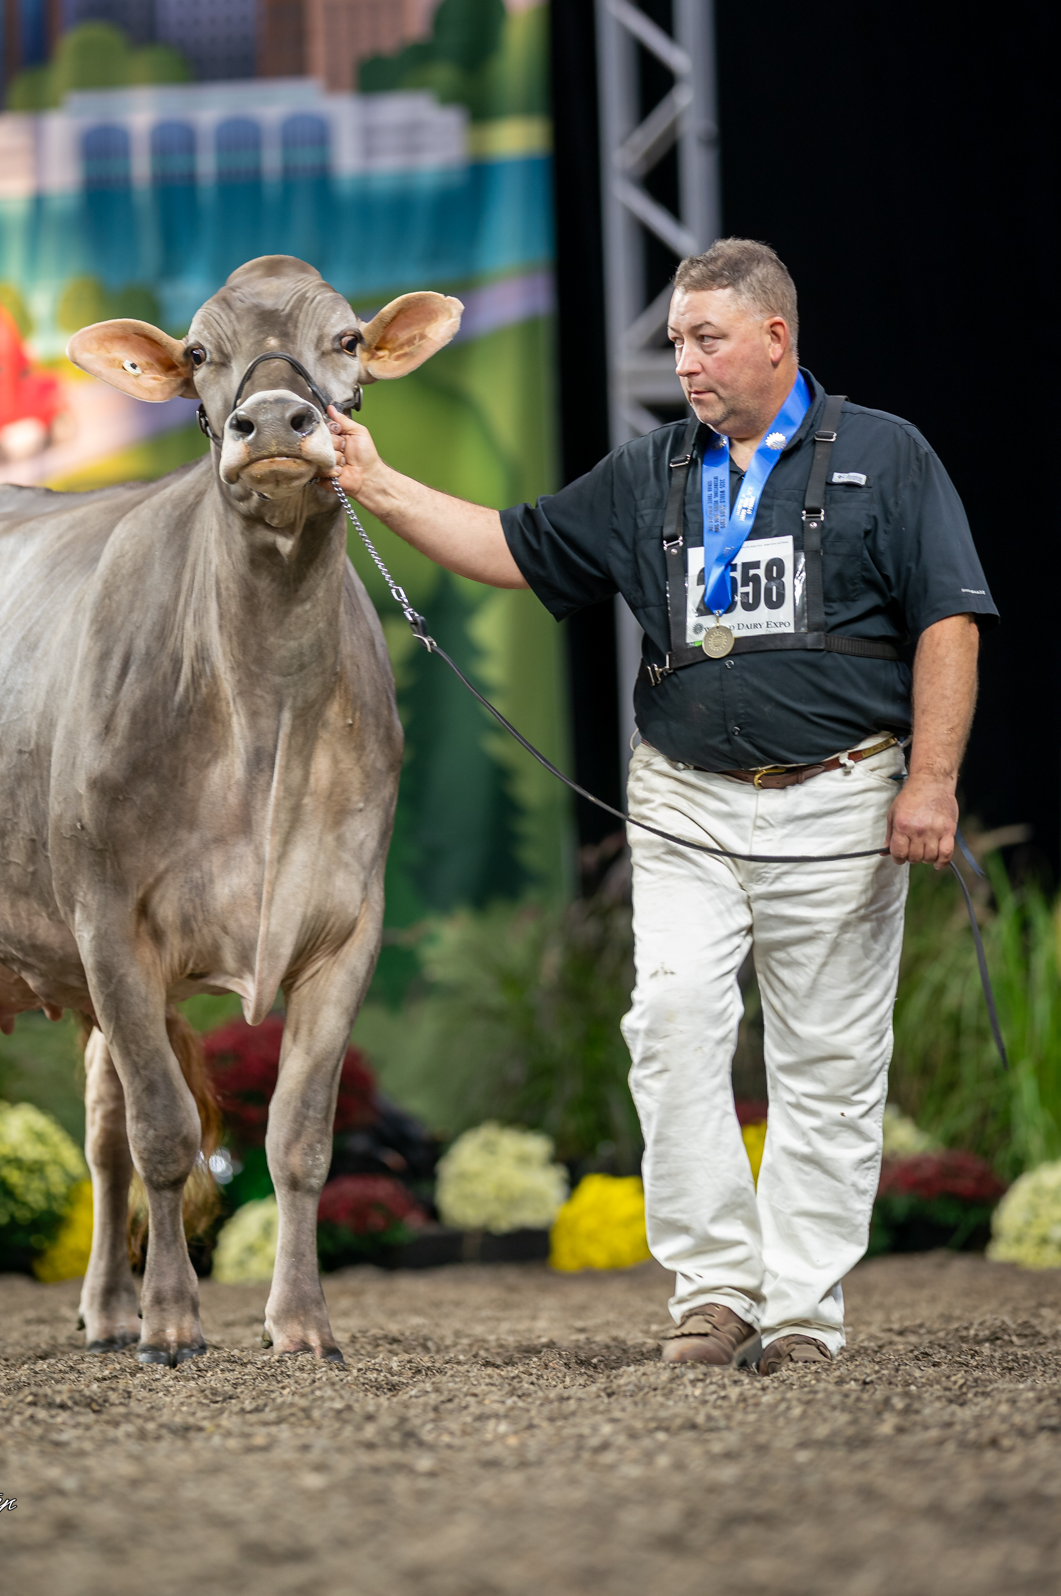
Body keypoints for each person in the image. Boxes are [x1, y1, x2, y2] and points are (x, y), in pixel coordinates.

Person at [326, 238, 994, 1371]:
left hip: (842, 799)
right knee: (673, 1021)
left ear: (775, 338)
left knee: (828, 1063)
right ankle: (716, 1292)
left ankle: (801, 1314)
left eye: (705, 339)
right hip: (685, 801)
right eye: (676, 340)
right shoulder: (649, 470)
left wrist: (929, 782)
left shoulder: (887, 454)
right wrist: (372, 480)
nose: (682, 362)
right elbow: (510, 546)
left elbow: (949, 620)